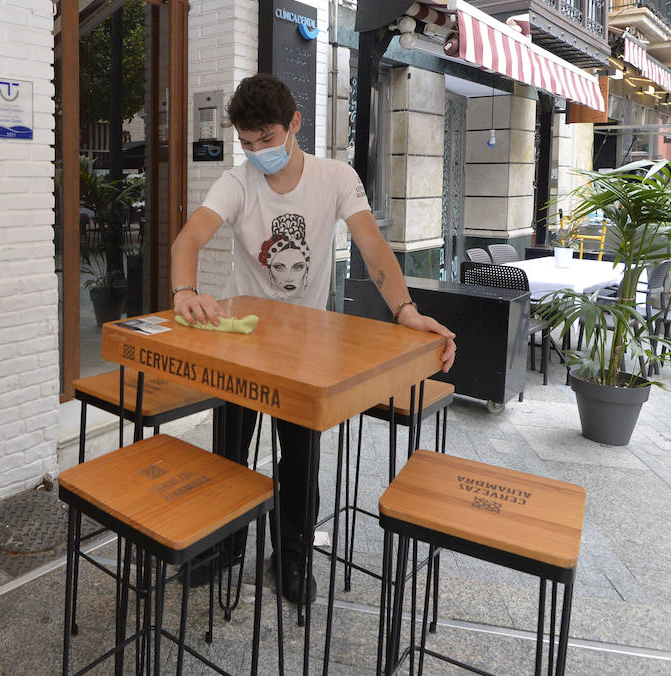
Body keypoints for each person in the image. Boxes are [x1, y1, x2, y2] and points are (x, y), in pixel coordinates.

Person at [170, 74, 456, 604]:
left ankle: (293, 552)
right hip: (242, 343)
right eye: (248, 143)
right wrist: (185, 289)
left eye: (267, 140)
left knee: (299, 456)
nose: (258, 152)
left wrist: (406, 310)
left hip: (305, 346)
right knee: (230, 449)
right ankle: (227, 543)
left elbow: (372, 246)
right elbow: (191, 236)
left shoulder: (335, 178)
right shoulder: (237, 182)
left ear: (294, 124)